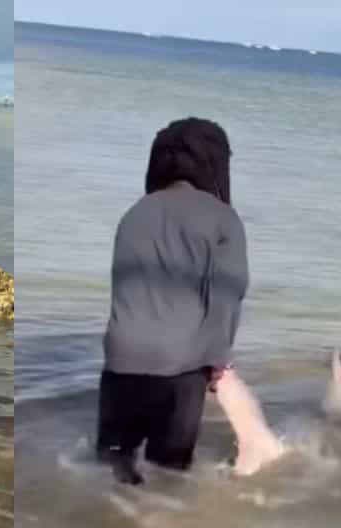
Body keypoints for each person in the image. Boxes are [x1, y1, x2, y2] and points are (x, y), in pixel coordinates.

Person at [96, 117, 282, 485]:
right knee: (168, 479)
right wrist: (218, 361)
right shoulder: (223, 219)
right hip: (180, 373)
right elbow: (227, 295)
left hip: (119, 365)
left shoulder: (135, 213)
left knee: (110, 470)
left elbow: (123, 294)